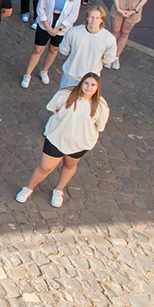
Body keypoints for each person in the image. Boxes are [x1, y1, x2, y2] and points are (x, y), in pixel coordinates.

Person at [15, 74, 109, 208]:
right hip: (56, 138)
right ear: (81, 83)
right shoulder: (65, 95)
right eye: (86, 83)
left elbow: (99, 126)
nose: (89, 87)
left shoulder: (101, 106)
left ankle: (59, 190)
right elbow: (54, 110)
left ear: (98, 87)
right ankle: (28, 188)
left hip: (80, 143)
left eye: (93, 85)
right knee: (45, 167)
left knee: (69, 165)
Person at [21, 0, 80, 88]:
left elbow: (73, 14)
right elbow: (40, 8)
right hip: (46, 23)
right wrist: (47, 26)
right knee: (37, 49)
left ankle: (44, 70)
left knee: (53, 49)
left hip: (62, 26)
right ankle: (27, 74)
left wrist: (59, 28)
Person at [109, 0, 153, 68]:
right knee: (114, 31)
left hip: (135, 5)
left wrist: (135, 10)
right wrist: (118, 8)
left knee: (125, 33)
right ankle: (109, 54)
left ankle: (116, 56)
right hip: (121, 2)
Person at [59, 6, 117, 88]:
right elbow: (65, 51)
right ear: (87, 18)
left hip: (91, 79)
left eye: (97, 18)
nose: (94, 20)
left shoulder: (109, 38)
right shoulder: (73, 32)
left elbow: (108, 59)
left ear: (102, 20)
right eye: (92, 17)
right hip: (71, 75)